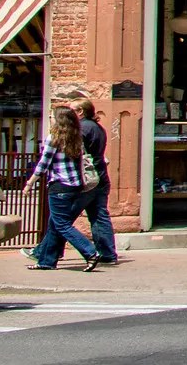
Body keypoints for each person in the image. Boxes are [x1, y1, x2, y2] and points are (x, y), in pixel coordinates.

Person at [21, 107, 105, 270]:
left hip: (59, 186)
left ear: (59, 120)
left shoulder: (54, 138)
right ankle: (46, 262)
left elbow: (43, 164)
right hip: (74, 186)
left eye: (52, 116)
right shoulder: (76, 137)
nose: (50, 118)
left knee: (61, 224)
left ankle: (90, 252)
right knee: (54, 224)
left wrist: (30, 183)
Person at [62, 92, 120, 265]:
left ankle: (47, 252)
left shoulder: (82, 128)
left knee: (62, 218)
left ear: (80, 112)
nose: (68, 113)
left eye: (71, 110)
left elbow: (73, 153)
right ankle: (108, 253)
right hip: (100, 176)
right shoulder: (97, 127)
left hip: (88, 179)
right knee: (99, 215)